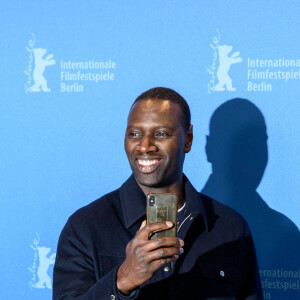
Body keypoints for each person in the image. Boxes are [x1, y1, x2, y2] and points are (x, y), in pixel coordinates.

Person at [53, 87, 263, 300]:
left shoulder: (231, 226)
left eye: (161, 134)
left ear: (188, 139)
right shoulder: (85, 227)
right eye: (135, 134)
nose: (144, 146)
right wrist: (123, 280)